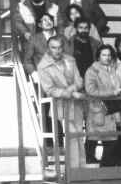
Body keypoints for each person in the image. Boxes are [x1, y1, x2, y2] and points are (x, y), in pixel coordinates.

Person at [37, 36, 87, 168]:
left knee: (79, 136)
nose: (57, 51)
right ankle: (73, 171)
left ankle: (81, 169)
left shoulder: (70, 59)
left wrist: (72, 89)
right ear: (48, 48)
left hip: (76, 105)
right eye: (53, 48)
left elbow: (79, 80)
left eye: (59, 47)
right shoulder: (42, 66)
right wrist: (72, 93)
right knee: (73, 136)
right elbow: (50, 90)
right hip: (60, 106)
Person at [84, 43, 121, 167]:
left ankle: (105, 169)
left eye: (109, 55)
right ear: (98, 56)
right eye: (104, 55)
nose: (107, 57)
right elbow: (90, 90)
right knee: (102, 140)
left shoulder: (112, 69)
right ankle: (101, 169)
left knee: (111, 141)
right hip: (98, 109)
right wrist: (112, 92)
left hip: (113, 110)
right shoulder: (92, 71)